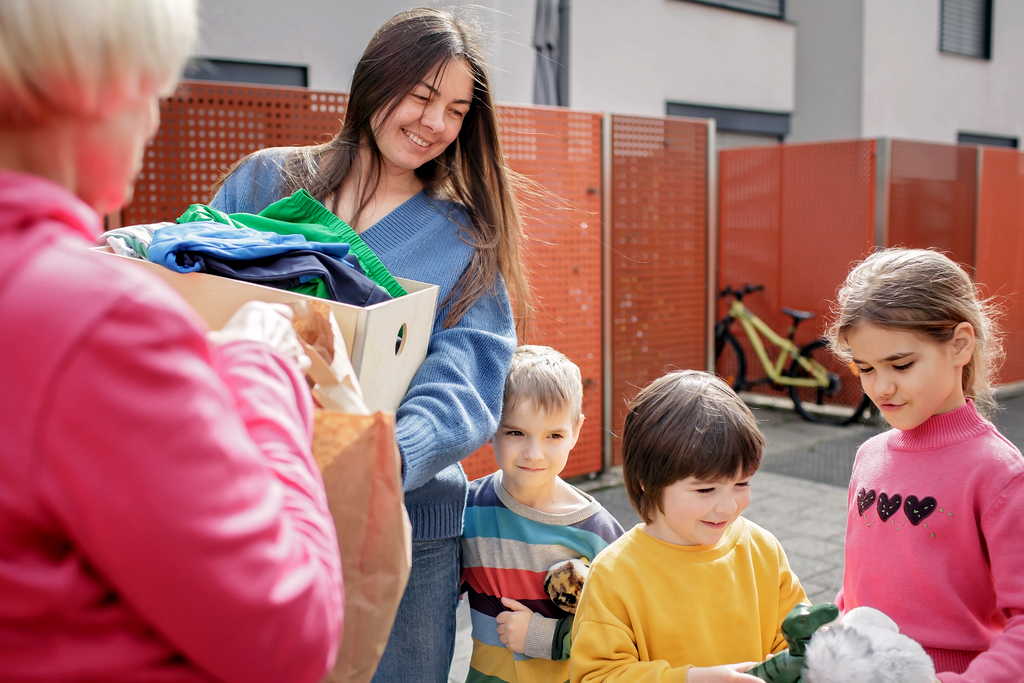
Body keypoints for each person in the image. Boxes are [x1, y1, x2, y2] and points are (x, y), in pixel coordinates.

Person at [0, 1, 343, 682]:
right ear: (94, 87)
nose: (154, 122)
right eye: (152, 92)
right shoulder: (99, 325)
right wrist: (260, 366)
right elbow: (290, 633)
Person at [208, 8, 530, 681]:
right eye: (421, 96)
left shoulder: (464, 238)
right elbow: (199, 290)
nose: (435, 123)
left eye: (456, 110)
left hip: (404, 521)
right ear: (375, 80)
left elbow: (466, 380)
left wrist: (376, 462)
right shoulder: (268, 182)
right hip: (255, 500)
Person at [828, 248, 1024, 683]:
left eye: (901, 365)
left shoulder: (999, 474)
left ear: (959, 345)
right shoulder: (869, 456)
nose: (881, 387)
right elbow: (862, 585)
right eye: (865, 368)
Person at [570, 370, 808, 683]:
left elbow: (794, 639)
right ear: (646, 481)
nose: (728, 506)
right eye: (705, 489)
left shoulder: (762, 549)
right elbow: (598, 675)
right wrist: (692, 678)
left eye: (742, 483)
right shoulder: (614, 574)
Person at [461, 345, 624, 683]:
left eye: (553, 435)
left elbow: (624, 631)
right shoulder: (467, 509)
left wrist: (547, 637)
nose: (534, 453)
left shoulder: (598, 531)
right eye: (516, 432)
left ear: (576, 431)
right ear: (491, 423)